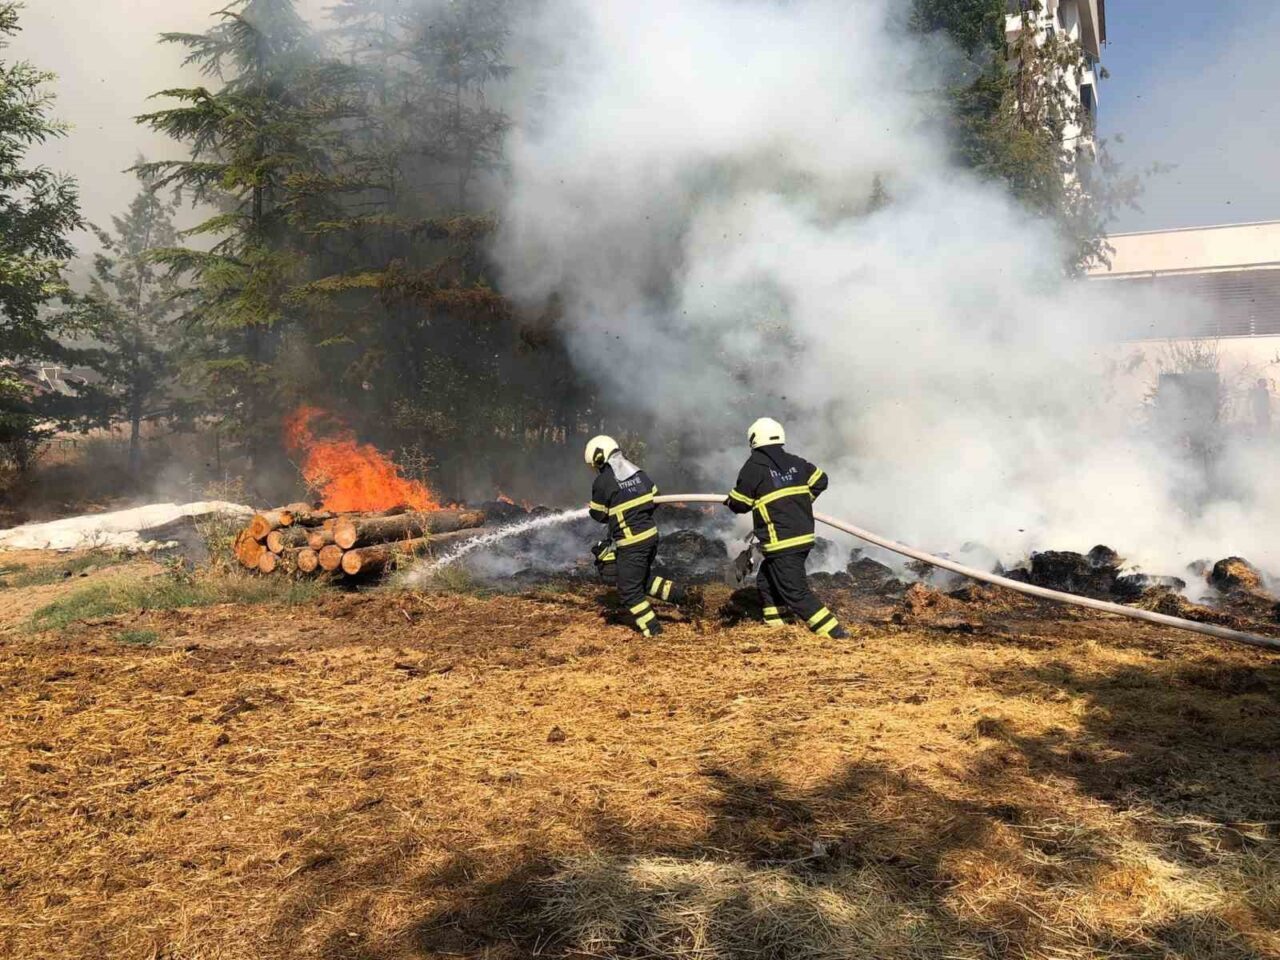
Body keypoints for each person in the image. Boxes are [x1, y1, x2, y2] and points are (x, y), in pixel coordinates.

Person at [726, 417, 848, 638]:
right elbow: (821, 480)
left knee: (796, 593)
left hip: (781, 541)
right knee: (766, 579)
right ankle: (779, 627)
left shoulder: (754, 467)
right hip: (802, 537)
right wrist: (800, 503)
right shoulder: (796, 462)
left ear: (753, 439)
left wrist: (730, 501)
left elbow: (739, 504)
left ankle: (837, 635)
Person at [585, 435, 688, 637]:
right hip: (650, 537)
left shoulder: (602, 481)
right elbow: (655, 498)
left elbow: (599, 515)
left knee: (629, 592)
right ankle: (684, 596)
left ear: (599, 457)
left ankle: (653, 631)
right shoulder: (638, 473)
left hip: (632, 543)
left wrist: (594, 509)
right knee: (640, 580)